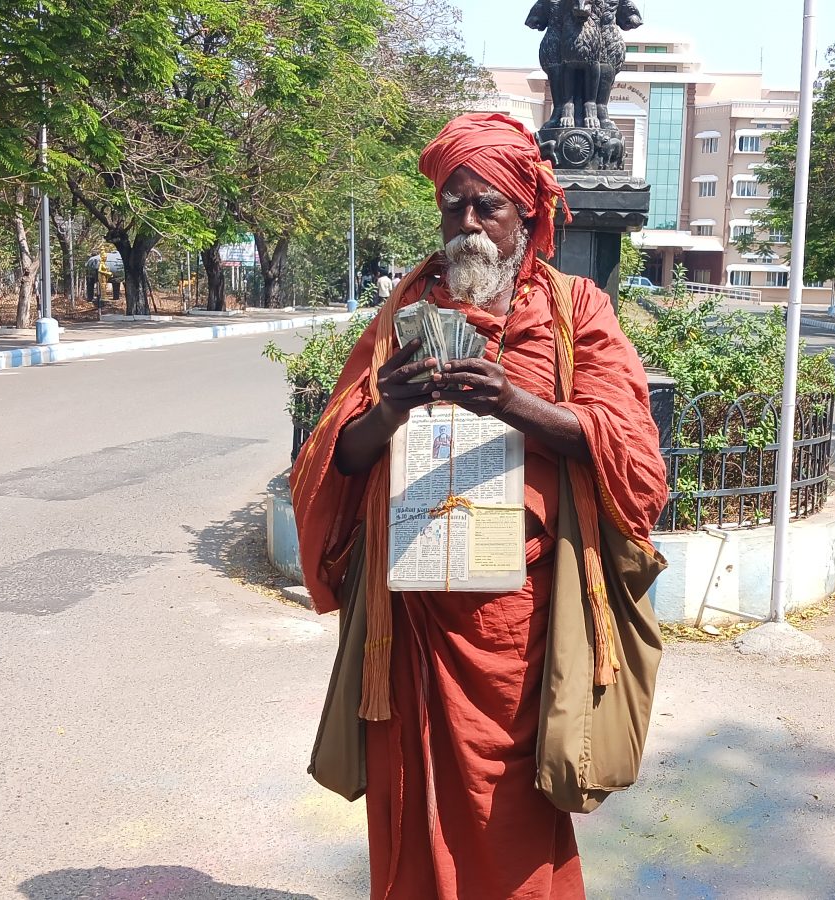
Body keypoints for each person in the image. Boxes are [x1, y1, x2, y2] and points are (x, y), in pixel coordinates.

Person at [291, 112, 667, 899]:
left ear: (526, 214)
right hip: (411, 620)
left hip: (519, 623)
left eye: (487, 205)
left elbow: (629, 453)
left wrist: (511, 401)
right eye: (453, 204)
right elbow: (336, 457)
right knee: (408, 806)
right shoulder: (404, 312)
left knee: (512, 818)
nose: (468, 224)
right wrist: (385, 412)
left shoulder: (575, 310)